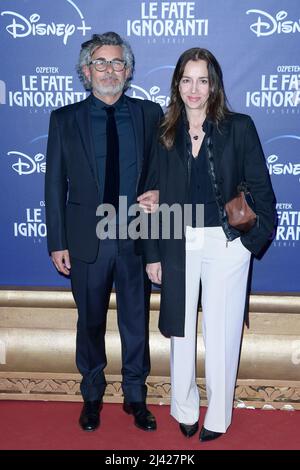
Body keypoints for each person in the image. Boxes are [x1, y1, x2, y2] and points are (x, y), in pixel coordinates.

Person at [143, 48, 276, 441]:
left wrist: (248, 243)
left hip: (227, 242)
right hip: (177, 240)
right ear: (177, 84)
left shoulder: (239, 127)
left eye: (202, 80)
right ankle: (184, 408)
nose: (194, 88)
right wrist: (153, 253)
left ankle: (218, 416)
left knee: (223, 332)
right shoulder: (164, 132)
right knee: (180, 332)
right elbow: (148, 196)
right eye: (186, 79)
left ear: (214, 84)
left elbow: (263, 191)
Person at [45, 32, 163, 432]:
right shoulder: (64, 119)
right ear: (85, 70)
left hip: (136, 236)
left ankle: (136, 398)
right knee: (90, 322)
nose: (109, 70)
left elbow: (168, 170)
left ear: (128, 71)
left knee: (135, 322)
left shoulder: (150, 114)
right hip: (86, 241)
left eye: (117, 63)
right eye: (101, 63)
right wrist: (57, 242)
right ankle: (92, 396)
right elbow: (53, 185)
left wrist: (162, 192)